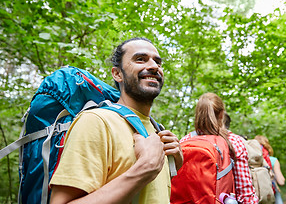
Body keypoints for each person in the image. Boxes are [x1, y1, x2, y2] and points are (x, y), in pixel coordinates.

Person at [49, 37, 183, 204]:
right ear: (117, 74)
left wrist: (173, 165)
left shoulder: (158, 131)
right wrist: (144, 169)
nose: (154, 66)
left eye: (157, 62)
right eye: (140, 59)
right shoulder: (96, 122)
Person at [181, 93, 259, 204]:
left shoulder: (184, 141)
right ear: (222, 114)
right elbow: (245, 195)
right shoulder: (234, 142)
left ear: (198, 114)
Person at [255, 135, 285, 204]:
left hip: (256, 194)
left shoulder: (251, 160)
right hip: (271, 193)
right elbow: (281, 182)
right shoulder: (273, 160)